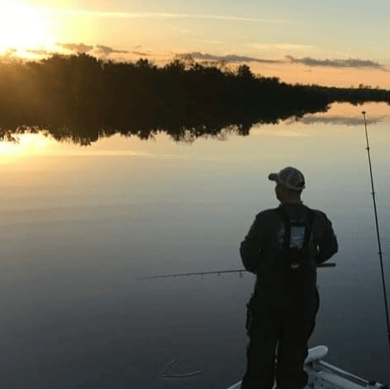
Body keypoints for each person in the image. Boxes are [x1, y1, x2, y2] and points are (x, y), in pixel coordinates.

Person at [240, 167, 338, 389]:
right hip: (303, 304)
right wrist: (311, 259)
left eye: (277, 185)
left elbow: (247, 257)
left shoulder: (265, 219)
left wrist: (264, 268)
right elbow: (331, 248)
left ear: (283, 190)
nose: (276, 188)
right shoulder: (318, 219)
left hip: (267, 303)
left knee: (259, 362)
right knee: (293, 362)